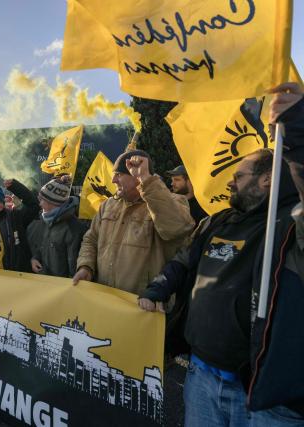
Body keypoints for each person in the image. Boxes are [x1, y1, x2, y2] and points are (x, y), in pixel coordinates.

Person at [138, 82, 304, 426]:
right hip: (200, 378)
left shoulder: (290, 224)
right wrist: (159, 288)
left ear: (266, 181)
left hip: (261, 397)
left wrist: (298, 136)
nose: (229, 181)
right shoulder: (218, 221)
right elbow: (184, 260)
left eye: (239, 175)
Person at [72, 149, 194, 294]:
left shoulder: (173, 201)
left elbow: (176, 229)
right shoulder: (108, 205)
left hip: (143, 305)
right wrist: (86, 266)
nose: (113, 180)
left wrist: (147, 179)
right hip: (104, 299)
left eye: (119, 175)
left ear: (136, 177)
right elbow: (91, 239)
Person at [27, 175, 87, 278]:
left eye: (42, 200)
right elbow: (44, 245)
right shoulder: (47, 220)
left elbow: (74, 269)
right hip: (46, 284)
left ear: (53, 202)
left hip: (61, 289)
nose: (39, 204)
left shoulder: (74, 229)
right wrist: (35, 258)